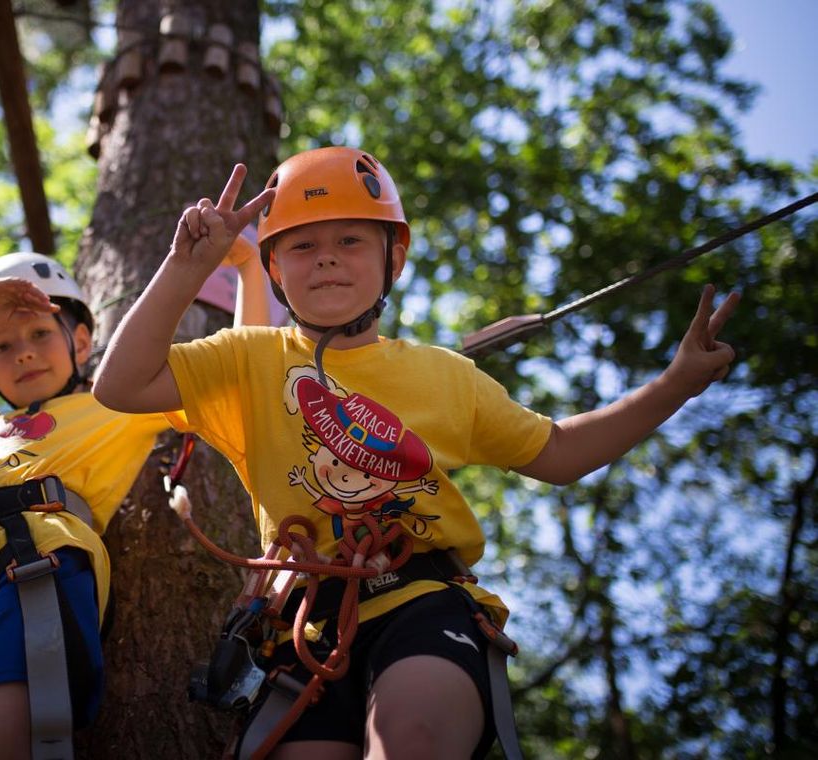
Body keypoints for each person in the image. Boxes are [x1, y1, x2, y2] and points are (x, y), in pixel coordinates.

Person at [91, 148, 741, 759]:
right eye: (302, 245)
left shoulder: (446, 378)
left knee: (413, 740)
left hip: (420, 602)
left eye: (350, 240)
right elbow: (120, 385)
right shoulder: (248, 360)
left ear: (392, 259)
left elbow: (561, 453)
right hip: (307, 631)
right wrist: (186, 268)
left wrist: (676, 384)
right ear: (274, 270)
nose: (326, 259)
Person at [0, 248, 267, 759]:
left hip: (34, 569)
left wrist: (249, 269)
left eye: (39, 334)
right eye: (3, 346)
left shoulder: (117, 401)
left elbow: (235, 370)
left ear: (81, 341)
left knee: (0, 740)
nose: (24, 353)